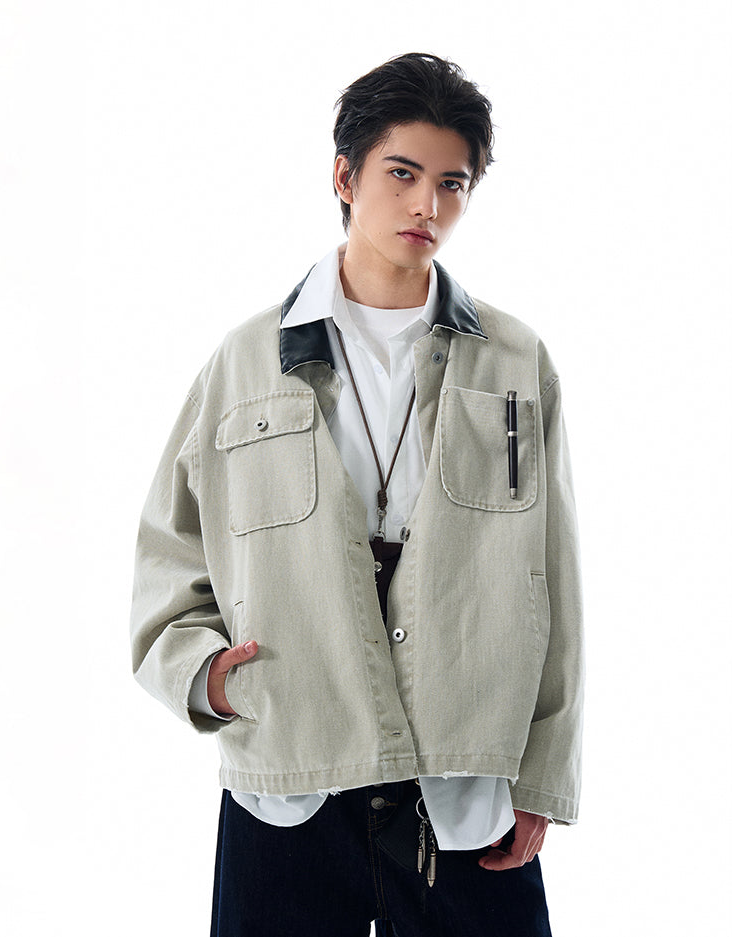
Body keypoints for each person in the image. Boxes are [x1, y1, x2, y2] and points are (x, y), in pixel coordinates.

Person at [130, 52, 584, 937]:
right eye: (402, 174)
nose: (428, 206)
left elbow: (554, 577)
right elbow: (169, 552)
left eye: (452, 183)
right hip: (290, 778)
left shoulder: (514, 360)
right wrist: (207, 678)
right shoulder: (246, 359)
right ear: (345, 177)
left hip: (463, 785)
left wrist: (543, 773)